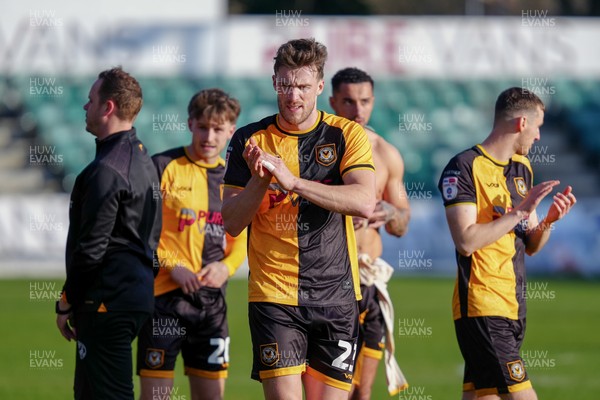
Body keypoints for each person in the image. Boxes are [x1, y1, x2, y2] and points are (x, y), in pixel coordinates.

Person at [222, 38, 376, 400]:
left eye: (303, 86)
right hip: (275, 295)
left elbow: (364, 201)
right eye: (285, 85)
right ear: (274, 83)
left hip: (336, 295)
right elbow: (230, 222)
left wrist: (293, 183)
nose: (294, 96)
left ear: (320, 87)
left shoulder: (345, 135)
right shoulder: (250, 139)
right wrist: (260, 181)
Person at [438, 87, 576, 400]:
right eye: (538, 126)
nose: (539, 136)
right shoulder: (463, 167)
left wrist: (549, 220)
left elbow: (532, 244)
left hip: (513, 304)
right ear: (521, 123)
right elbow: (466, 241)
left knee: (483, 396)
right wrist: (518, 213)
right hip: (482, 305)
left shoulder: (522, 169)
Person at [55, 67, 162, 399]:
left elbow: (91, 249)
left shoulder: (107, 169)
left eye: (90, 100)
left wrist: (66, 300)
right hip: (132, 295)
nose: (85, 107)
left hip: (107, 299)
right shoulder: (143, 159)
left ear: (108, 107)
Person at [136, 88, 247, 400]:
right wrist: (175, 267)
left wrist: (226, 267)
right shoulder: (162, 166)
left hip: (211, 306)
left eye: (217, 129)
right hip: (162, 303)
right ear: (190, 124)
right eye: (202, 127)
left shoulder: (235, 180)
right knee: (155, 397)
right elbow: (143, 233)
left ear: (231, 131)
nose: (209, 137)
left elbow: (239, 240)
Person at [329, 67, 410, 399]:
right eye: (348, 101)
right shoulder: (319, 148)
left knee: (362, 391)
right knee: (333, 388)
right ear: (332, 101)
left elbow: (402, 222)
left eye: (364, 101)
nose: (357, 110)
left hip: (369, 279)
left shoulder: (386, 153)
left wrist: (388, 212)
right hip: (329, 280)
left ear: (373, 102)